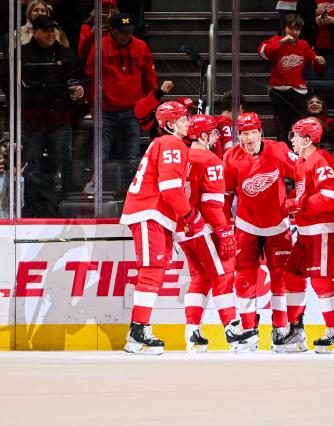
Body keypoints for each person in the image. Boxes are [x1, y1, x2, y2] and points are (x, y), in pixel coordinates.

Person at [119, 101, 197, 355]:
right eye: (183, 118)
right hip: (149, 211)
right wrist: (189, 215)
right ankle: (139, 329)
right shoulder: (171, 143)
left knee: (155, 270)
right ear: (171, 124)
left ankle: (137, 332)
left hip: (155, 213)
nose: (188, 122)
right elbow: (170, 189)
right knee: (152, 269)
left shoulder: (166, 143)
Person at [178, 114, 258, 353]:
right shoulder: (210, 159)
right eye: (212, 133)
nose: (215, 137)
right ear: (202, 135)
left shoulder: (182, 156)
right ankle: (233, 330)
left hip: (182, 229)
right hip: (204, 227)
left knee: (199, 279)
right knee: (223, 275)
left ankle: (192, 332)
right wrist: (224, 232)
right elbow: (212, 204)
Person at [223, 112, 299, 352]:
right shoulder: (230, 157)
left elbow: (303, 176)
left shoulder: (278, 150)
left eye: (252, 132)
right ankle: (248, 330)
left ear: (260, 132)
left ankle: (281, 329)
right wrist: (225, 224)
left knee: (279, 276)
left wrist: (291, 203)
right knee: (244, 277)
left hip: (278, 225)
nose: (248, 138)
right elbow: (226, 195)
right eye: (243, 133)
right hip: (246, 225)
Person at [0, 15, 84, 218]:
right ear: (35, 32)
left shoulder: (65, 54)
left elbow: (79, 79)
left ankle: (58, 207)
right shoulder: (22, 54)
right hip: (32, 119)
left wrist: (80, 89)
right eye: (46, 30)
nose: (51, 33)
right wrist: (20, 97)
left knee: (61, 163)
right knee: (31, 164)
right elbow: (3, 78)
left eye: (53, 29)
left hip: (58, 119)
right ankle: (31, 207)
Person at [282, 117, 334, 353]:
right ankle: (296, 328)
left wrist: (298, 203)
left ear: (307, 139)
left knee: (320, 279)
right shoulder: (302, 162)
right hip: (308, 229)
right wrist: (294, 202)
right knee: (292, 274)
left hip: (324, 228)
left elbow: (330, 199)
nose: (293, 139)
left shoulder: (321, 161)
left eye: (296, 135)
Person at [84, 12, 157, 179]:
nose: (127, 34)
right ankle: (97, 189)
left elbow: (150, 79)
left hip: (133, 109)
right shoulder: (100, 46)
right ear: (112, 30)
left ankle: (130, 190)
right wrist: (93, 105)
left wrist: (151, 106)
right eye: (123, 31)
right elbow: (91, 76)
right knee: (100, 154)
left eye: (129, 30)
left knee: (131, 156)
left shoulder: (141, 46)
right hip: (106, 109)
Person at [259, 13, 326, 142]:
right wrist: (280, 43)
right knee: (281, 125)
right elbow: (263, 52)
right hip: (279, 90)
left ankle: (294, 150)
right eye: (291, 28)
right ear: (285, 28)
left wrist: (320, 62)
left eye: (297, 29)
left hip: (298, 91)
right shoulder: (276, 40)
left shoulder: (304, 45)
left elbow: (315, 66)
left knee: (295, 124)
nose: (294, 32)